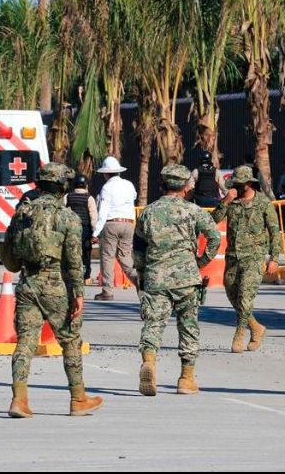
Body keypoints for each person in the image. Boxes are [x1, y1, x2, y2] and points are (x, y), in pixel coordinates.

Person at [0, 162, 103, 418]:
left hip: (27, 284)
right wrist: (79, 293)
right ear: (63, 187)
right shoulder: (68, 217)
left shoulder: (22, 212)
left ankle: (19, 399)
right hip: (57, 286)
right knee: (70, 341)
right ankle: (78, 398)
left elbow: (9, 253)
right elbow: (74, 261)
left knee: (25, 343)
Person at [134, 164, 221, 397]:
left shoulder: (148, 212)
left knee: (153, 324)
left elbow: (139, 247)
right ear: (185, 187)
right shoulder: (193, 211)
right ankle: (186, 378)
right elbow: (214, 236)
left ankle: (150, 362)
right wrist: (201, 262)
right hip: (186, 278)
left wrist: (142, 274)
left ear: (162, 185)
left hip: (156, 277)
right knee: (188, 327)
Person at [212, 165, 282, 353]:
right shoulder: (232, 202)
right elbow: (213, 221)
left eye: (240, 184)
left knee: (245, 298)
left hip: (254, 257)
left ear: (250, 183)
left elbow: (275, 232)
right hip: (233, 256)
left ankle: (239, 334)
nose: (236, 186)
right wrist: (225, 201)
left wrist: (274, 258)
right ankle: (257, 328)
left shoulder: (263, 203)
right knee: (233, 295)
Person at [92, 156, 137, 301]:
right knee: (125, 256)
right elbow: (134, 196)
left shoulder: (106, 187)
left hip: (112, 223)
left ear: (105, 173)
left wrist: (96, 232)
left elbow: (103, 211)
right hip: (129, 223)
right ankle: (140, 281)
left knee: (107, 257)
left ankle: (107, 291)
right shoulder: (129, 184)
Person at [66, 174, 99, 286]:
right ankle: (86, 277)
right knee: (86, 254)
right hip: (85, 230)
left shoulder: (67, 196)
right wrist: (96, 233)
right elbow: (93, 217)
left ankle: (71, 277)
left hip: (71, 229)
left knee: (71, 253)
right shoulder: (89, 198)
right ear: (86, 185)